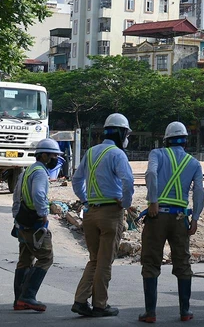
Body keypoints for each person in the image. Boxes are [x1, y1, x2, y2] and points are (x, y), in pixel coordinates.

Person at [71, 112, 136, 318]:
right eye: (126, 134)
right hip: (110, 213)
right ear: (121, 133)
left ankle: (81, 300)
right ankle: (100, 304)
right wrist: (125, 203)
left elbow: (76, 180)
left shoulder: (91, 152)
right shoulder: (117, 154)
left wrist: (85, 200)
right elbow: (128, 181)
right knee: (105, 261)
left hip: (90, 213)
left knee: (94, 259)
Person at [139, 121, 204, 323]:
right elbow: (199, 191)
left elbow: (151, 173)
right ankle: (185, 311)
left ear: (166, 140)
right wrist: (195, 218)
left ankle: (150, 313)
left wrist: (153, 201)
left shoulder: (157, 154)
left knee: (151, 262)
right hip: (180, 218)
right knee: (182, 263)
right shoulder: (194, 163)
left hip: (157, 216)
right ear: (185, 141)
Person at [11, 138, 64, 312]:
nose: (56, 159)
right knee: (46, 258)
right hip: (34, 222)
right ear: (44, 156)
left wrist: (17, 218)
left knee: (25, 260)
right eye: (53, 156)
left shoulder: (28, 170)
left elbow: (16, 196)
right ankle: (27, 296)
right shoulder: (40, 172)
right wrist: (43, 214)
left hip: (22, 221)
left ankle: (19, 299)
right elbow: (39, 194)